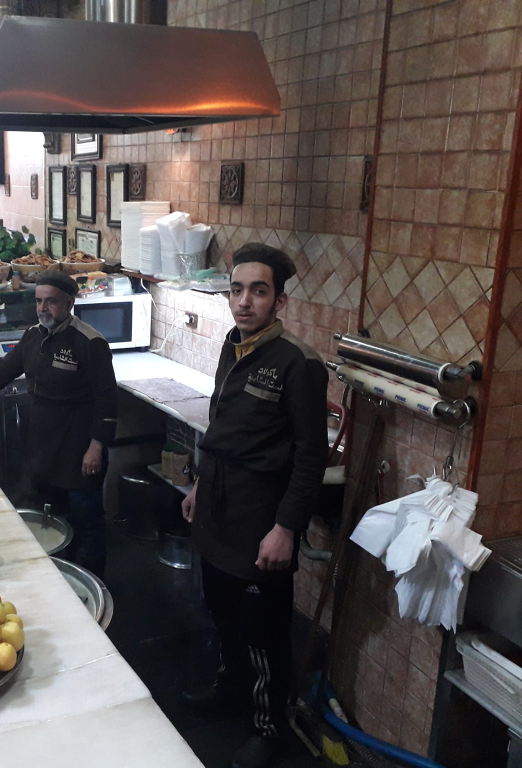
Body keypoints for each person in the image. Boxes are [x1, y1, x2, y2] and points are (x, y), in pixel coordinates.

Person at [181, 243, 328, 768]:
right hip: (218, 504)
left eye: (258, 291)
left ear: (279, 301)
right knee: (221, 610)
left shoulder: (299, 364)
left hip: (261, 514)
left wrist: (286, 528)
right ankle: (230, 690)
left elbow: (311, 457)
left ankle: (269, 728)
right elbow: (220, 425)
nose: (244, 301)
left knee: (263, 629)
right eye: (237, 290)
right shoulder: (233, 346)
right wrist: (199, 483)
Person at [0, 272, 117, 576]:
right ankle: (57, 577)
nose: (43, 308)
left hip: (79, 446)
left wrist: (96, 446)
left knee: (87, 523)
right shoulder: (33, 336)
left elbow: (107, 400)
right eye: (39, 301)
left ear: (69, 302)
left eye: (51, 302)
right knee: (52, 518)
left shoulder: (90, 342)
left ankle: (91, 582)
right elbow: (3, 370)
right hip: (43, 445)